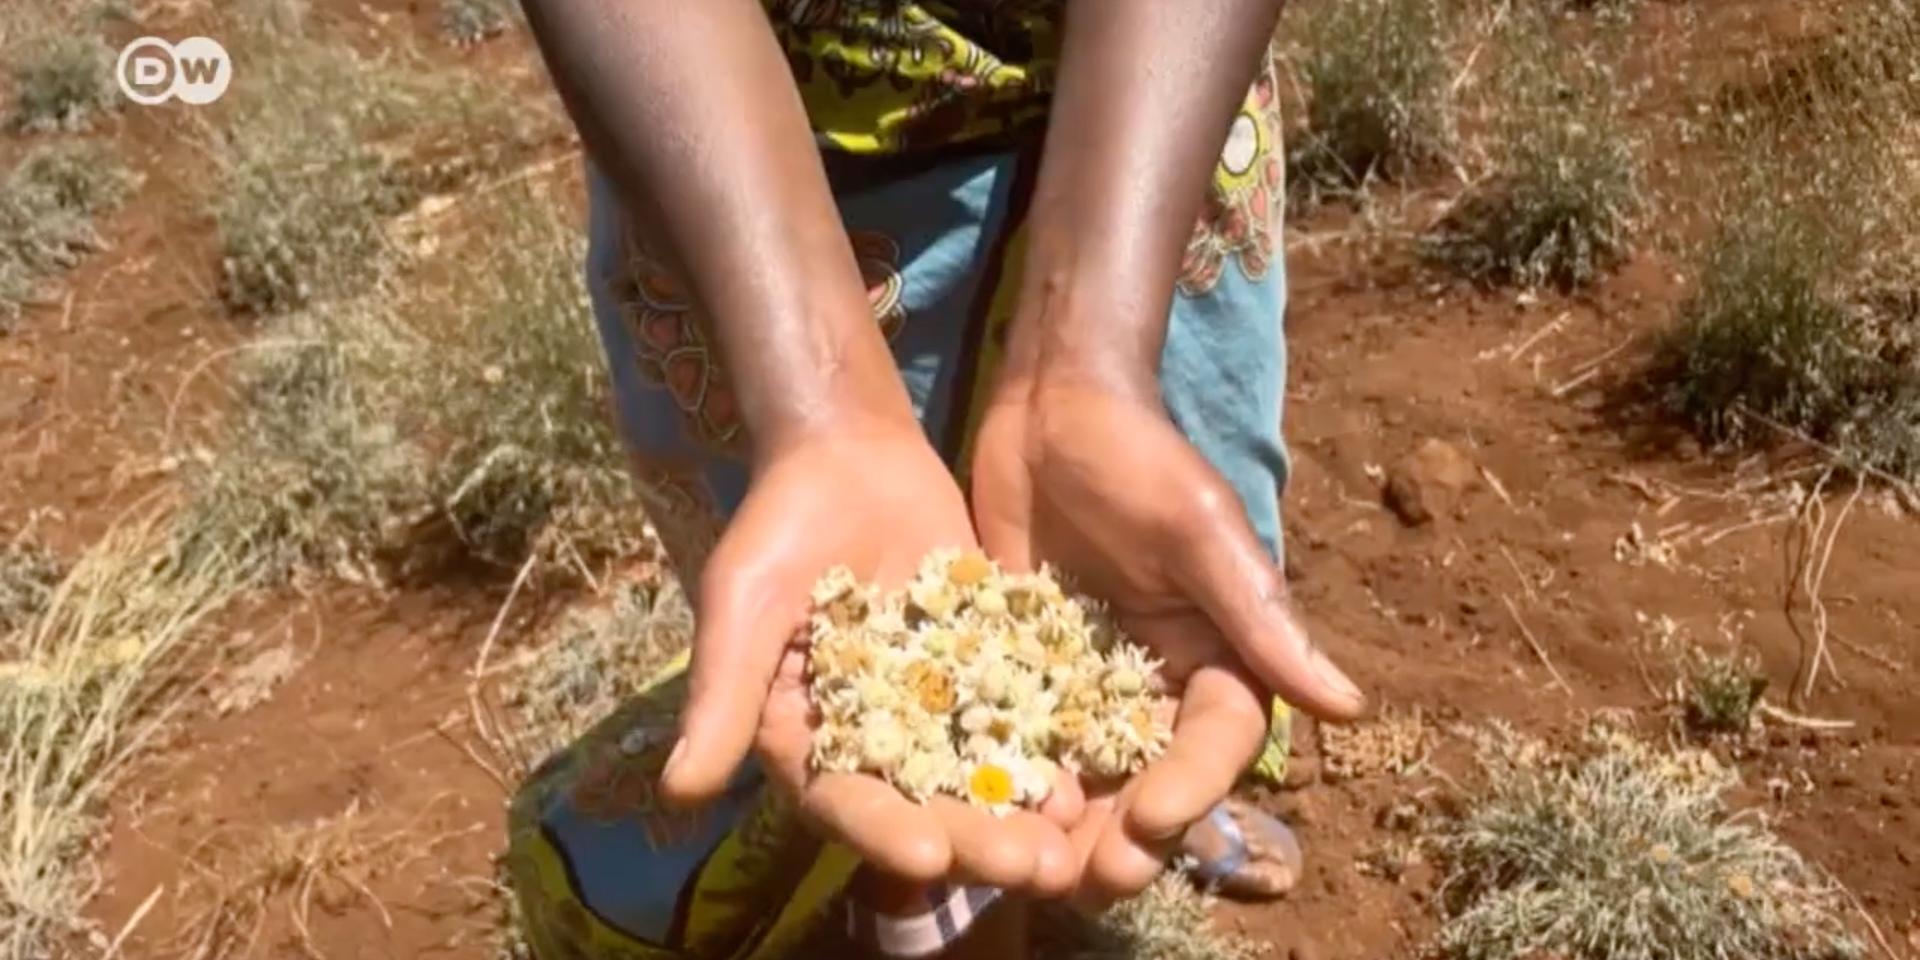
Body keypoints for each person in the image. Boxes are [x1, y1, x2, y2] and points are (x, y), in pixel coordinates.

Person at [502, 2, 1368, 958]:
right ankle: (932, 906)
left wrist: (1090, 352)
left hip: (1160, 131)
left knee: (1143, 605)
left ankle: (1109, 755)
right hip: (755, 181)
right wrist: (820, 406)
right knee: (871, 705)